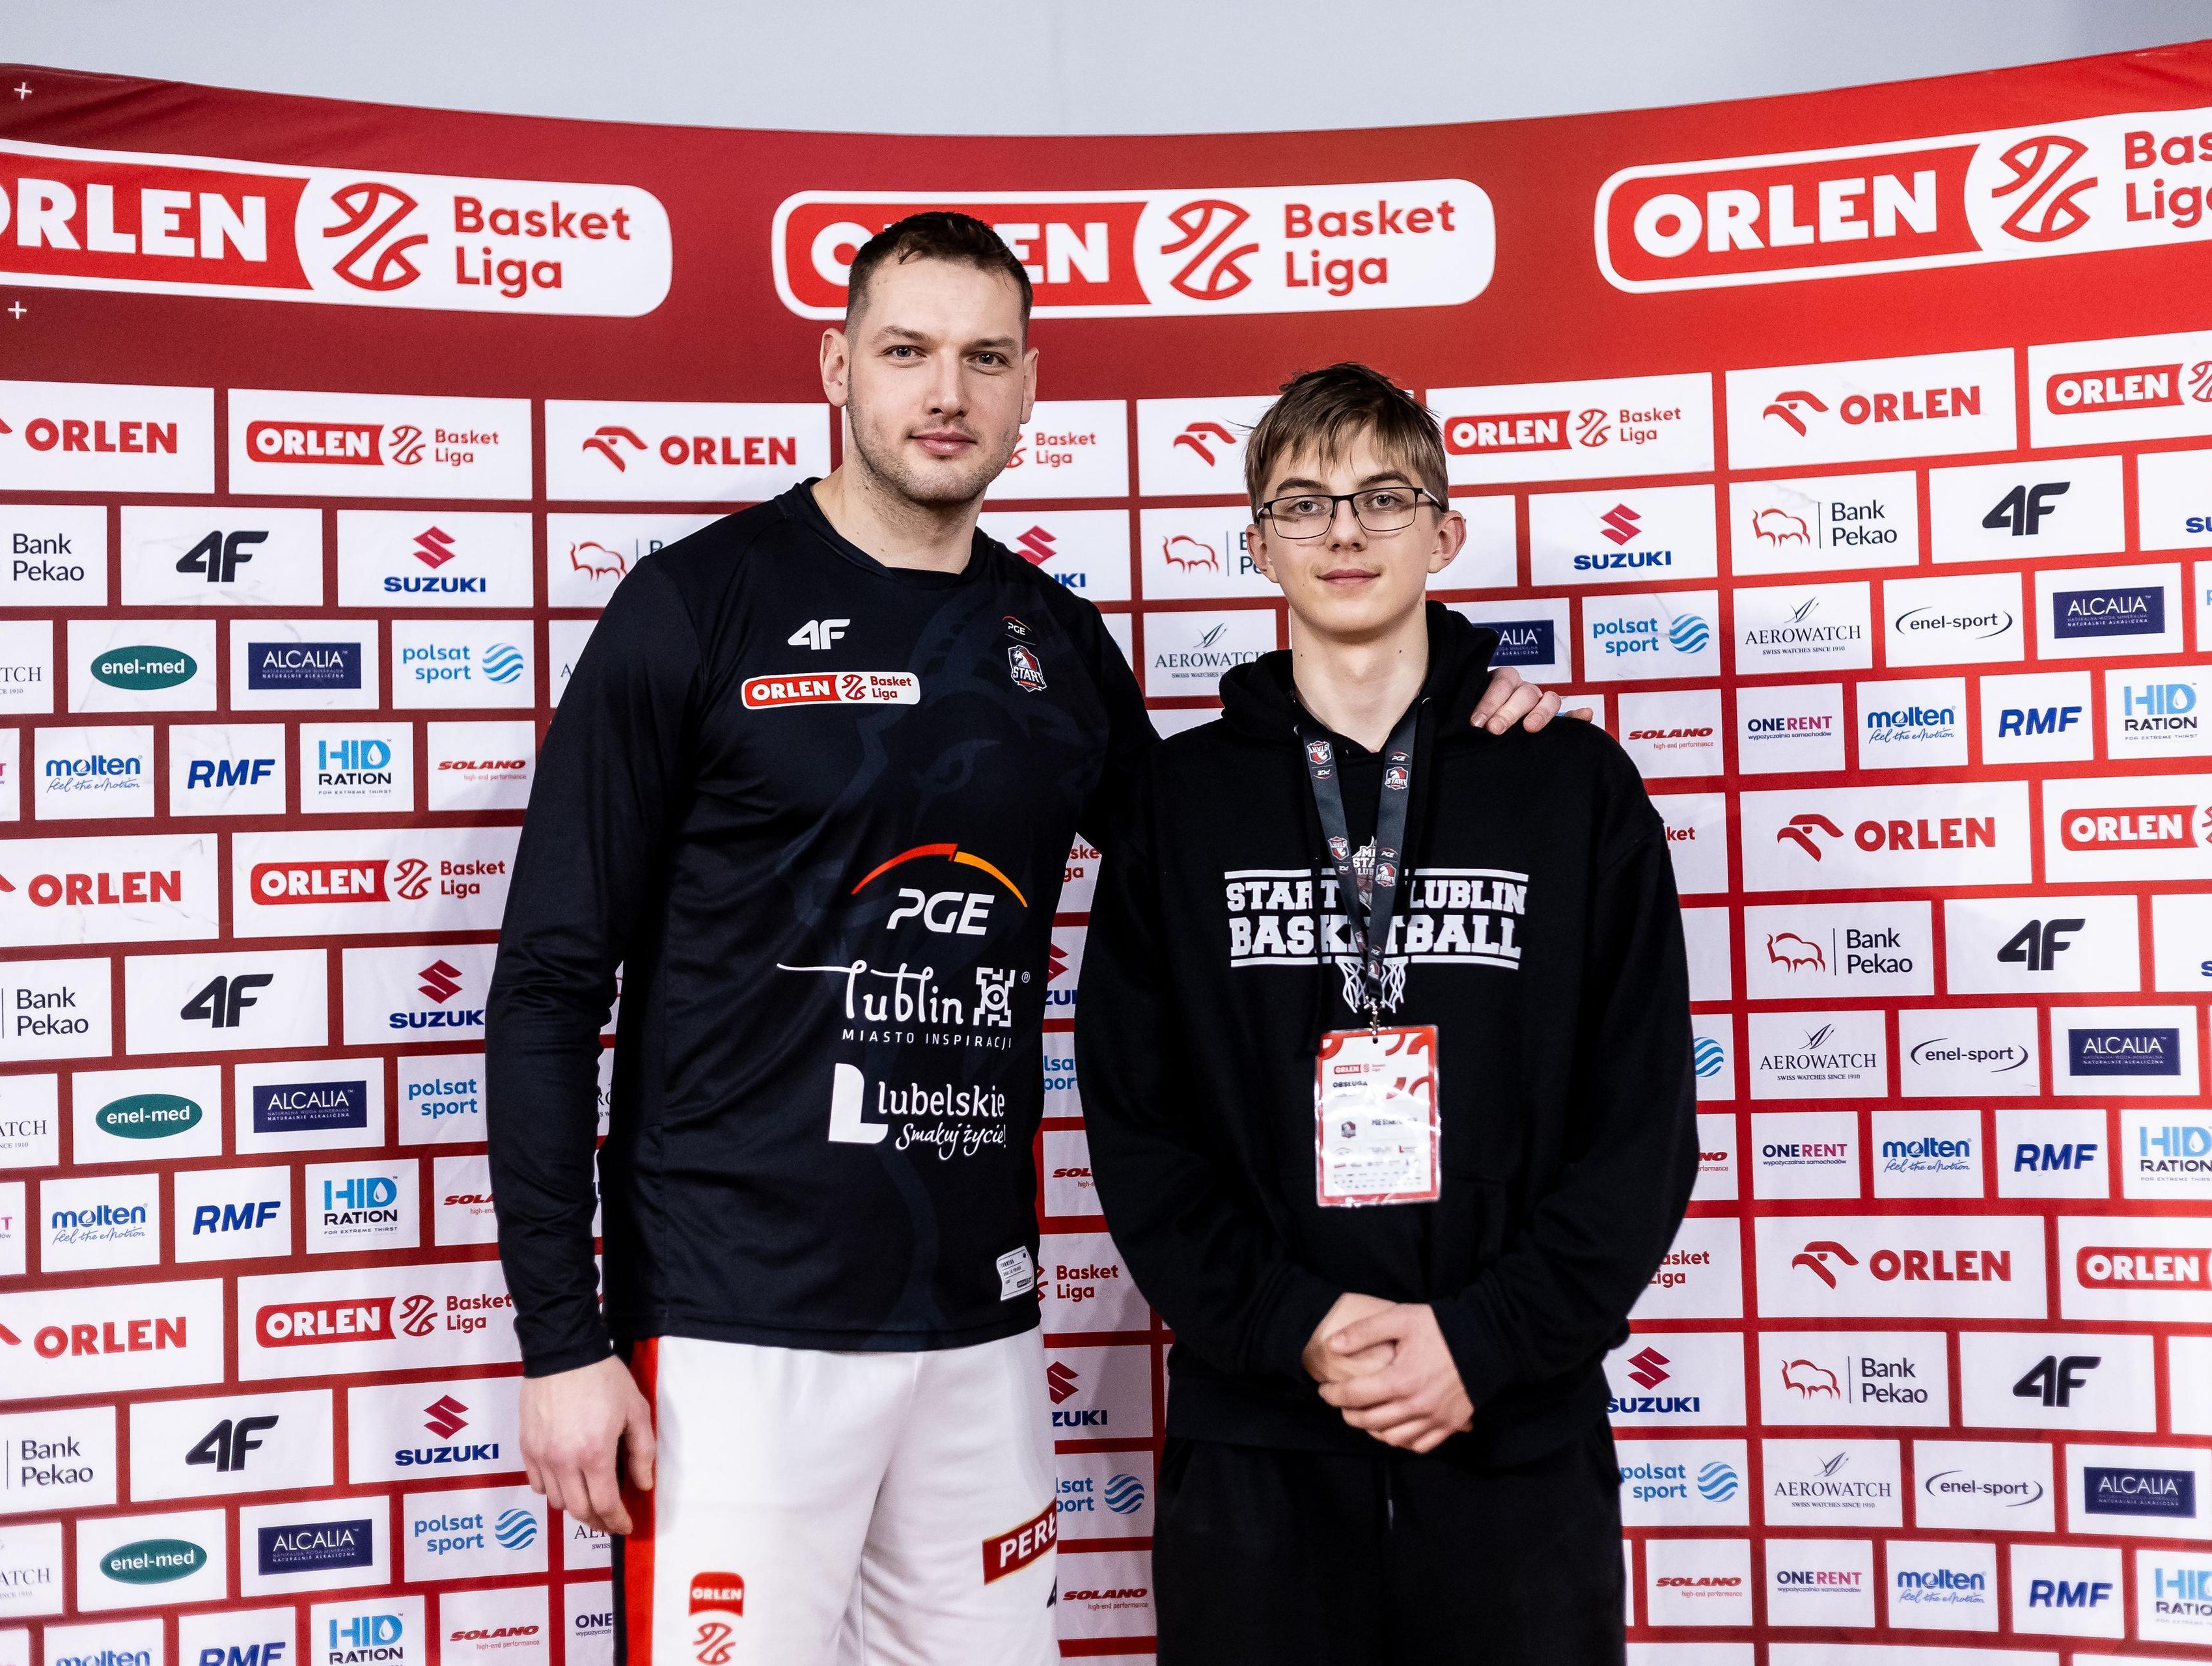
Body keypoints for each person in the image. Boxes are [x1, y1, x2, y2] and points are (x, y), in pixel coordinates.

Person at [485, 216, 1564, 1666]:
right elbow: (551, 986)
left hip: (979, 1325)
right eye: (908, 351)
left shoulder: (1052, 639)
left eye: (986, 358)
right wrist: (563, 1338)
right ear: (837, 367)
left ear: (1029, 385)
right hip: (735, 1327)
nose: (948, 393)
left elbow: (1227, 843)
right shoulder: (696, 605)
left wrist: (1460, 716)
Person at [1077, 362, 1699, 1664]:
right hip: (1259, 1445)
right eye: (1303, 503)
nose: (1346, 531)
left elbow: (1641, 1124)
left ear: (1444, 532)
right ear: (1258, 545)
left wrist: (1483, 1340)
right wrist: (1297, 1324)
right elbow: (1139, 1128)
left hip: (1513, 1430)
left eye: (1383, 496)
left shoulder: (1571, 787)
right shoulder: (1178, 808)